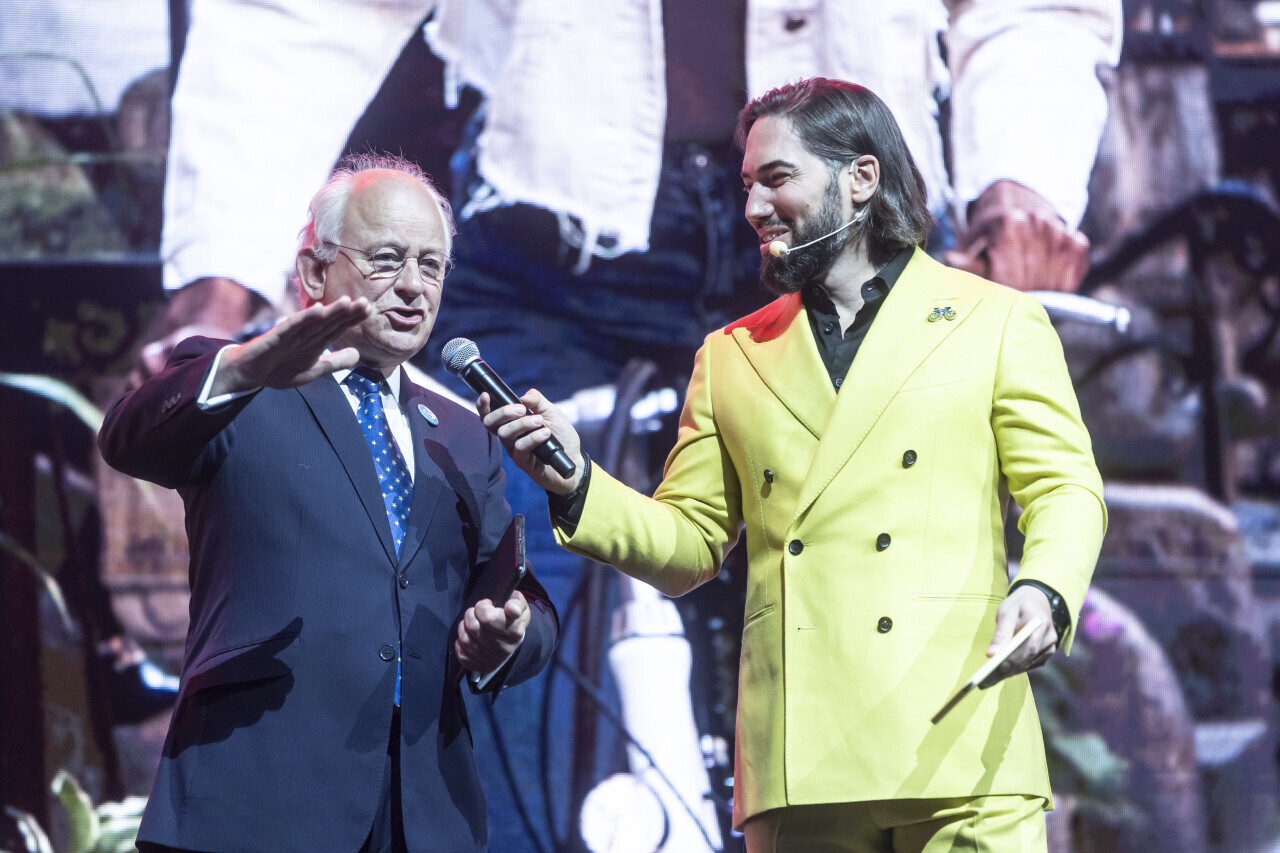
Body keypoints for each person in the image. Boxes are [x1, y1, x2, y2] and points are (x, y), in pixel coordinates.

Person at [480, 79, 1107, 851]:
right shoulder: (732, 356)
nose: (753, 208)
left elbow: (1063, 486)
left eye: (776, 179)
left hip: (959, 742)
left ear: (861, 178)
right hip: (802, 764)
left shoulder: (995, 319)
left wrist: (1045, 590)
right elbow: (691, 544)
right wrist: (579, 484)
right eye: (746, 184)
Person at [98, 154, 559, 853]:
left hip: (422, 814)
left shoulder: (463, 433)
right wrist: (246, 366)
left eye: (431, 266)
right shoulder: (247, 383)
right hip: (258, 796)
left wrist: (509, 635)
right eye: (387, 259)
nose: (413, 286)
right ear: (315, 273)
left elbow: (520, 595)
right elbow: (130, 439)